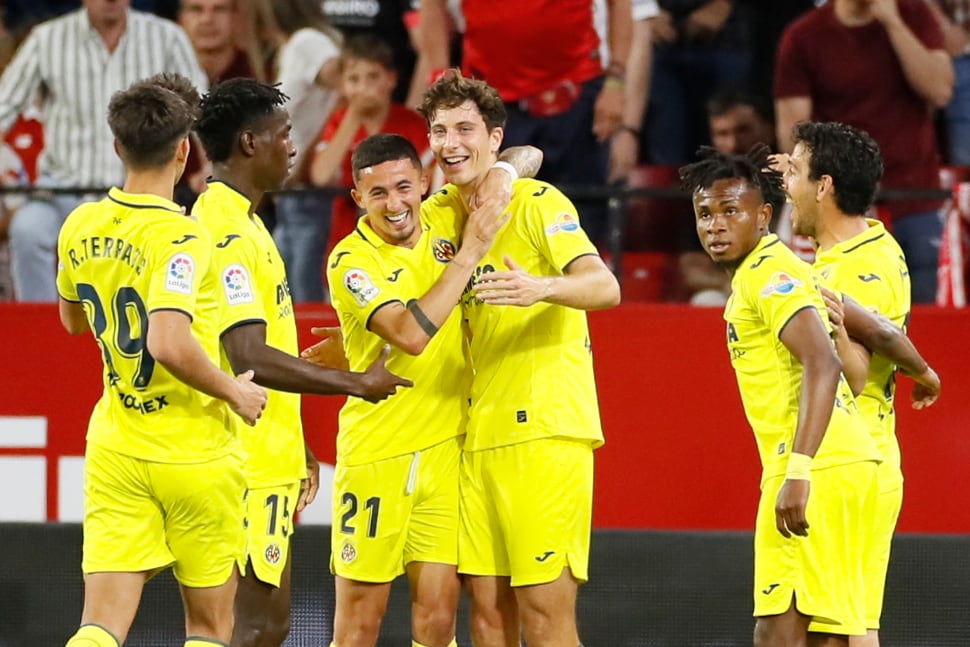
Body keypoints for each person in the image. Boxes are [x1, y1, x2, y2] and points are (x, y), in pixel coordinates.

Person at [190, 77, 413, 647]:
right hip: (242, 467)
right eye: (283, 134)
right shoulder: (228, 232)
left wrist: (295, 443)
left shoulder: (244, 221)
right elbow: (248, 356)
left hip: (264, 453)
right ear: (248, 143)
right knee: (254, 628)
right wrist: (356, 383)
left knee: (253, 626)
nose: (293, 145)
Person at [55, 79, 267, 647]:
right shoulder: (182, 237)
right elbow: (167, 342)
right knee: (207, 628)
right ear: (183, 151)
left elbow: (73, 322)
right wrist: (234, 391)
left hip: (118, 445)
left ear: (118, 147)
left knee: (99, 624)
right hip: (194, 451)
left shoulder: (79, 224)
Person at [417, 70, 621, 647]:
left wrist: (541, 287)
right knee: (486, 614)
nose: (450, 142)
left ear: (492, 136)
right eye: (439, 131)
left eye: (464, 128)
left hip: (544, 433)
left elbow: (604, 287)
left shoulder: (535, 203)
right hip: (477, 434)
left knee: (544, 617)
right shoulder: (442, 216)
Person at [320, 133, 543, 647]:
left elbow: (527, 154)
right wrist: (472, 251)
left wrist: (501, 179)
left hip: (444, 453)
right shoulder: (350, 260)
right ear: (358, 198)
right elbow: (410, 335)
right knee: (358, 625)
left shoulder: (444, 213)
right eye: (378, 194)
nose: (395, 204)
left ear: (425, 183)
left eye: (404, 187)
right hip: (378, 455)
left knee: (438, 619)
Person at [680, 144, 882, 646]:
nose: (716, 225)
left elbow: (824, 361)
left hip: (814, 467)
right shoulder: (781, 267)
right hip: (843, 463)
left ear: (765, 215)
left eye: (731, 211)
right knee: (828, 637)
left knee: (779, 635)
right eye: (705, 214)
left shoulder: (768, 275)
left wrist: (798, 470)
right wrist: (922, 370)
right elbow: (870, 328)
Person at [781, 120, 941, 646]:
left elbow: (851, 374)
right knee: (853, 628)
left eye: (799, 173)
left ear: (825, 186)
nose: (789, 186)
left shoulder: (856, 268)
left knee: (833, 632)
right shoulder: (874, 242)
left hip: (849, 457)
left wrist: (828, 322)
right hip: (871, 457)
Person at [0, 0, 207, 302]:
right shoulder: (47, 38)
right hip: (61, 191)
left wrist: (212, 163)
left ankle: (145, 333)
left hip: (142, 191)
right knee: (28, 230)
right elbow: (5, 104)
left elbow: (199, 104)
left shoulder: (167, 36)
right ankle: (43, 336)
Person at [774, 0, 954, 304]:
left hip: (914, 198)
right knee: (840, 318)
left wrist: (893, 23)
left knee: (926, 321)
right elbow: (793, 134)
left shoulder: (915, 16)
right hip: (841, 207)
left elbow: (939, 90)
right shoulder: (804, 35)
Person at [417, 0, 633, 246]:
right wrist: (440, 80)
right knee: (493, 214)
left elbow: (620, 4)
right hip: (490, 99)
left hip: (576, 95)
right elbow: (433, 5)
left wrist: (616, 81)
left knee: (582, 220)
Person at [308, 33, 432, 268]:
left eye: (373, 77)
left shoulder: (412, 124)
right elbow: (321, 176)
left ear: (391, 79)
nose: (364, 87)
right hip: (348, 238)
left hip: (405, 240)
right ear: (343, 84)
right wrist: (353, 116)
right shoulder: (338, 122)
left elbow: (429, 183)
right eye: (354, 79)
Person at [252, 0, 342, 302]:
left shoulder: (308, 42)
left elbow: (346, 86)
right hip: (289, 194)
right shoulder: (292, 47)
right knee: (282, 294)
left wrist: (317, 146)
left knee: (306, 294)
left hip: (308, 193)